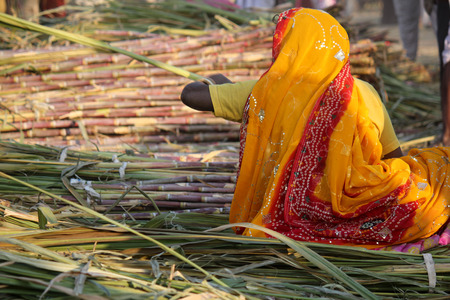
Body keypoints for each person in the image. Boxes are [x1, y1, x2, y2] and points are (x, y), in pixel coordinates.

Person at [181, 7, 450, 249]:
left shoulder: (265, 95)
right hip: (366, 207)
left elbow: (191, 96)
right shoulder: (364, 91)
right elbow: (393, 158)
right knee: (438, 169)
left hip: (288, 219)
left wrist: (215, 80)